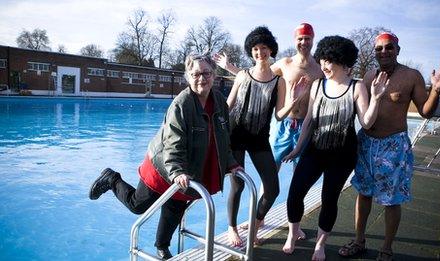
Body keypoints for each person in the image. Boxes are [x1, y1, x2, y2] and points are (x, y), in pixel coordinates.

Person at [88, 53, 242, 260]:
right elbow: (173, 142)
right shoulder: (182, 104)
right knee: (138, 205)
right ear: (187, 77)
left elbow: (223, 138)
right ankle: (111, 178)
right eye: (195, 74)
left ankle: (162, 246)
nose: (201, 78)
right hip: (163, 165)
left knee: (176, 207)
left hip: (191, 167)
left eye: (206, 73)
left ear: (214, 75)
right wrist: (177, 170)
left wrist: (231, 163)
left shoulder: (220, 102)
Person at [338, 32, 440, 261]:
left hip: (393, 146)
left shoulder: (411, 76)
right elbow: (358, 108)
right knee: (363, 194)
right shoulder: (369, 75)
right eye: (379, 48)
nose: (384, 52)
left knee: (391, 200)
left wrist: (436, 89)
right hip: (366, 143)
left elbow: (426, 112)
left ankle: (386, 248)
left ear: (398, 50)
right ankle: (359, 240)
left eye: (389, 47)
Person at [282, 35, 389, 260]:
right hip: (315, 149)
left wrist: (377, 99)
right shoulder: (317, 85)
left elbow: (367, 122)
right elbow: (310, 121)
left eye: (329, 61)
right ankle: (292, 234)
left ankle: (320, 244)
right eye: (322, 60)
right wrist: (297, 149)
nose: (323, 65)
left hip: (342, 154)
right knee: (294, 193)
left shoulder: (357, 87)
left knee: (329, 198)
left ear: (343, 63)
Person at [214, 23, 322, 236]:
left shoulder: (280, 80)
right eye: (255, 49)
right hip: (236, 136)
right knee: (238, 186)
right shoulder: (250, 73)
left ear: (271, 49)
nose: (260, 52)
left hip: (261, 138)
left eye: (264, 48)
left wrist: (293, 100)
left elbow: (279, 113)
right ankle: (232, 228)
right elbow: (229, 105)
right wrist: (214, 126)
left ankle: (257, 223)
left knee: (273, 189)